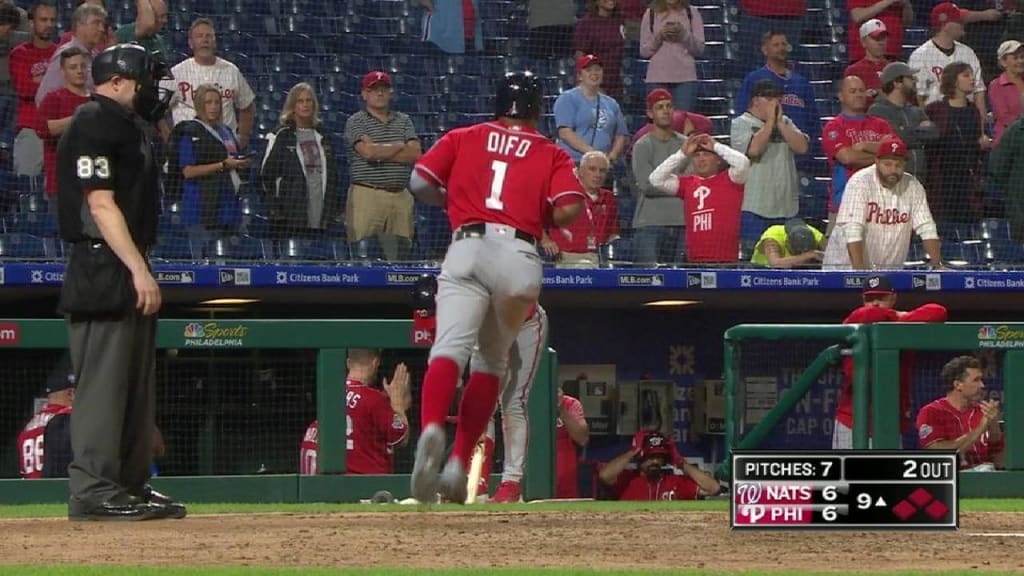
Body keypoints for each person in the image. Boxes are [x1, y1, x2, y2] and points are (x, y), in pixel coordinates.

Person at [407, 72, 585, 505]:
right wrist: (540, 217)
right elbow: (571, 207)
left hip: (468, 245)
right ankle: (457, 461)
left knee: (449, 351)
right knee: (490, 366)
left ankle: (432, 426)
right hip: (519, 258)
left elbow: (417, 182)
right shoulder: (549, 150)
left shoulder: (464, 136)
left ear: (497, 105)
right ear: (537, 111)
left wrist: (452, 200)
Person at [56, 43, 182, 521]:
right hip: (102, 265)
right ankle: (92, 491)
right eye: (145, 80)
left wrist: (139, 266)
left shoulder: (131, 126)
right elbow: (100, 204)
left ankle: (130, 485)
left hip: (127, 262)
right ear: (115, 82)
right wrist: (136, 268)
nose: (153, 90)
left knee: (134, 385)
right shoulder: (93, 119)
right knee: (103, 387)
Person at [832, 275, 948, 449]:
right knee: (850, 475)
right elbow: (865, 314)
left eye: (881, 297)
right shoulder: (859, 320)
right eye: (869, 299)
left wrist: (893, 320)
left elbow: (938, 311)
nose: (875, 303)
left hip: (890, 425)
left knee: (890, 476)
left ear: (893, 298)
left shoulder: (900, 325)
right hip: (854, 422)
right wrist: (897, 317)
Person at [822, 134, 941, 270]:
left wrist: (937, 265)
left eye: (898, 165)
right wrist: (859, 271)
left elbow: (927, 228)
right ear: (877, 161)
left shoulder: (913, 186)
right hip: (844, 270)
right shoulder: (860, 182)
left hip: (888, 271)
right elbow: (853, 229)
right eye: (888, 164)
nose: (893, 170)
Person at [299, 350, 410, 475]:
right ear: (375, 363)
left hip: (325, 483)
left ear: (348, 363)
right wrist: (398, 403)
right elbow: (401, 438)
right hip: (365, 486)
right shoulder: (374, 399)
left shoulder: (331, 395)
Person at [166, 83, 247, 253]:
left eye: (217, 102)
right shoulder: (190, 132)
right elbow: (187, 171)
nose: (213, 107)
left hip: (228, 205)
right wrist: (222, 165)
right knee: (203, 259)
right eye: (208, 102)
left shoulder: (227, 132)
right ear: (199, 105)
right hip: (200, 207)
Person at [649, 132, 751, 263]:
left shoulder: (731, 179)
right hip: (694, 262)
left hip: (726, 262)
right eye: (696, 155)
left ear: (718, 159)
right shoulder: (687, 184)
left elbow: (743, 163)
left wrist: (716, 146)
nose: (701, 159)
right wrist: (681, 154)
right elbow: (655, 179)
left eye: (707, 154)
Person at [729, 79, 808, 242]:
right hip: (754, 209)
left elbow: (802, 148)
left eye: (778, 99)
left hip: (786, 208)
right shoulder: (740, 123)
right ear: (756, 100)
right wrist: (771, 122)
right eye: (770, 99)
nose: (776, 103)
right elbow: (753, 150)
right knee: (756, 261)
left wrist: (778, 122)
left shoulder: (785, 122)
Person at [259, 82, 339, 237]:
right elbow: (264, 176)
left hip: (322, 215)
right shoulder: (281, 136)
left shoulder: (324, 137)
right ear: (292, 106)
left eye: (309, 101)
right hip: (290, 216)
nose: (305, 105)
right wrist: (275, 209)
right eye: (300, 101)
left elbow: (333, 176)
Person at [821, 75, 893, 236]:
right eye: (852, 91)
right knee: (838, 258)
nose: (859, 95)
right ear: (841, 96)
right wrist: (880, 155)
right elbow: (847, 157)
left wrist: (865, 146)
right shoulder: (834, 126)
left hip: (880, 204)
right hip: (846, 204)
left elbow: (895, 153)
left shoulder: (881, 124)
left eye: (862, 90)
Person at [924, 61, 990, 223]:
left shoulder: (973, 110)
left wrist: (982, 143)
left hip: (967, 181)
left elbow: (977, 141)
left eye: (972, 75)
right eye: (966, 75)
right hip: (943, 181)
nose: (972, 79)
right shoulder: (935, 109)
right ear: (953, 80)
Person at [917, 355, 1003, 470]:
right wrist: (981, 427)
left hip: (987, 480)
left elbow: (1000, 458)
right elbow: (940, 454)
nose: (982, 385)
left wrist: (993, 425)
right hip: (952, 481)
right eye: (976, 380)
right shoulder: (931, 412)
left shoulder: (983, 411)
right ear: (958, 385)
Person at [907, 3, 986, 119]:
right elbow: (920, 96)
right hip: (937, 119)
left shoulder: (967, 52)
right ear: (944, 25)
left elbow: (979, 91)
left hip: (968, 117)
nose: (963, 23)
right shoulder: (920, 55)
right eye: (958, 21)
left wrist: (981, 124)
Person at [543, 150, 620, 268]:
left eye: (602, 171)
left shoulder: (608, 198)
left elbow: (613, 232)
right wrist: (545, 240)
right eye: (592, 169)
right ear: (580, 171)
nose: (598, 175)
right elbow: (534, 219)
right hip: (565, 257)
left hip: (598, 257)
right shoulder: (563, 194)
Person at [598, 430, 720, 501]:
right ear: (640, 457)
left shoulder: (674, 482)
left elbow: (713, 488)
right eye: (650, 457)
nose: (655, 462)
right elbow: (604, 476)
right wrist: (633, 451)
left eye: (659, 457)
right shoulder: (628, 480)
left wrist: (681, 462)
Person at [35, 47, 90, 200]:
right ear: (63, 72)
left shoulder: (96, 99)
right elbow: (42, 129)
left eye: (83, 66)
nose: (80, 71)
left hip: (93, 183)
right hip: (62, 184)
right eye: (73, 67)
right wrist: (79, 117)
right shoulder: (54, 98)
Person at [867, 62, 938, 181]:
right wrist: (919, 133)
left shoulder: (915, 110)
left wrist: (906, 131)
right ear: (897, 83)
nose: (914, 81)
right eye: (910, 78)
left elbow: (934, 133)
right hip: (893, 178)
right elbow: (896, 139)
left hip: (920, 178)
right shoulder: (878, 110)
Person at [8, 1, 56, 178]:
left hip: (56, 128)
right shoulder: (20, 53)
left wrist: (39, 80)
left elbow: (65, 89)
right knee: (26, 184)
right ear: (31, 23)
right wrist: (51, 81)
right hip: (30, 127)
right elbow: (25, 89)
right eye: (43, 20)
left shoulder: (60, 53)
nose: (49, 25)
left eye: (52, 20)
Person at [639, 0, 705, 112]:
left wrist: (684, 34)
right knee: (659, 123)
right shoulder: (650, 13)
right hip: (657, 79)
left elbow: (699, 49)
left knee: (682, 123)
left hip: (685, 79)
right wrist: (659, 36)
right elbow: (644, 51)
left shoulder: (692, 13)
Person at [17, 355, 75, 479]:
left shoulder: (28, 427)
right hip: (56, 489)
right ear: (71, 394)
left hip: (30, 493)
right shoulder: (66, 419)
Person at [988, 40, 1024, 146]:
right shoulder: (996, 85)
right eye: (1015, 58)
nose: (1021, 61)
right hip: (1008, 142)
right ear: (1003, 62)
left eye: (1022, 57)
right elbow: (1004, 117)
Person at [751, 218, 824, 268]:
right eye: (798, 252)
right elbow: (775, 263)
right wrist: (809, 255)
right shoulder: (772, 237)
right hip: (765, 273)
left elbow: (832, 253)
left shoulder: (813, 233)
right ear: (787, 243)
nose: (802, 255)